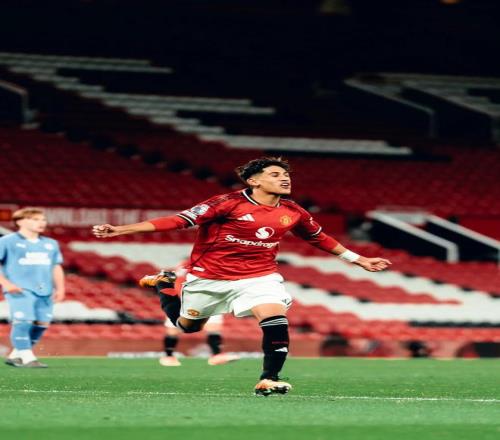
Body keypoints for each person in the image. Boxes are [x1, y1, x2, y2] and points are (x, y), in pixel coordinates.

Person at [93, 157, 391, 395]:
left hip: (259, 277)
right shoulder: (227, 203)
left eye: (285, 174)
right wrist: (122, 229)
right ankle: (165, 285)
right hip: (209, 278)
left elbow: (319, 238)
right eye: (275, 174)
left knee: (275, 317)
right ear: (253, 181)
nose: (284, 178)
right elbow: (179, 220)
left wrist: (358, 259)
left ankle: (269, 378)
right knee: (188, 327)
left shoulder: (293, 211)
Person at [139, 263, 239, 366]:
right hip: (183, 300)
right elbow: (176, 277)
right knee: (174, 329)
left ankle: (216, 356)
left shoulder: (214, 264)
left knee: (213, 327)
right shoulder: (188, 264)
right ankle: (168, 356)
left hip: (208, 299)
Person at [0, 207, 65, 368]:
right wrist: (6, 283)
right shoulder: (7, 241)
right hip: (20, 289)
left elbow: (56, 266)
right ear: (20, 221)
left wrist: (61, 288)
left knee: (41, 324)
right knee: (23, 322)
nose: (41, 223)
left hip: (44, 290)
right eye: (35, 219)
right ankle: (28, 357)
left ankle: (16, 354)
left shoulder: (51, 244)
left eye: (43, 219)